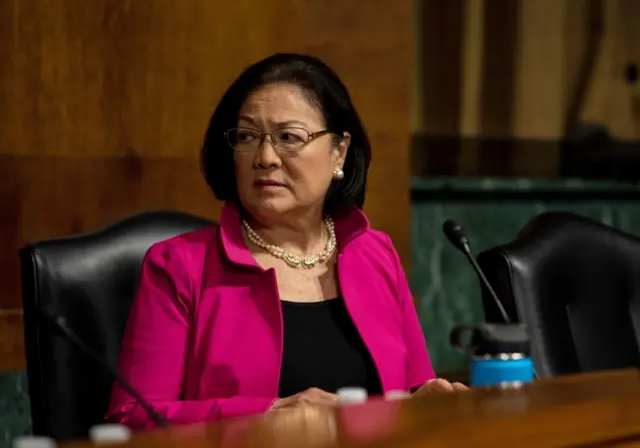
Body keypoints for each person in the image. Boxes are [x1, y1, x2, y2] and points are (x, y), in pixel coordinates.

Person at [106, 53, 467, 429]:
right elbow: (132, 419)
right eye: (247, 137)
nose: (265, 157)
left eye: (289, 138)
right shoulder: (178, 266)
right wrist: (270, 415)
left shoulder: (375, 253)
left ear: (339, 151)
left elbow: (412, 391)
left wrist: (425, 402)